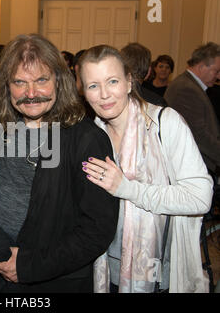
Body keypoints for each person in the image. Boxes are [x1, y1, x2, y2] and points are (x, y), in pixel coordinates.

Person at [0, 34, 119, 293]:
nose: (31, 93)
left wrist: (28, 266)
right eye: (19, 82)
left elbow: (97, 230)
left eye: (41, 80)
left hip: (54, 279)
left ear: (59, 79)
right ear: (6, 87)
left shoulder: (86, 139)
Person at [78, 44, 213, 293]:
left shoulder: (164, 123)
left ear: (129, 82)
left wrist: (128, 188)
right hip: (103, 269)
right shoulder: (89, 136)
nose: (104, 94)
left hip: (155, 273)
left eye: (113, 81)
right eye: (93, 86)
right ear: (84, 92)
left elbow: (200, 197)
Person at [164, 42, 220, 176]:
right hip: (193, 168)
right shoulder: (186, 89)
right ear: (201, 66)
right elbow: (199, 135)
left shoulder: (189, 85)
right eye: (216, 71)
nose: (218, 76)